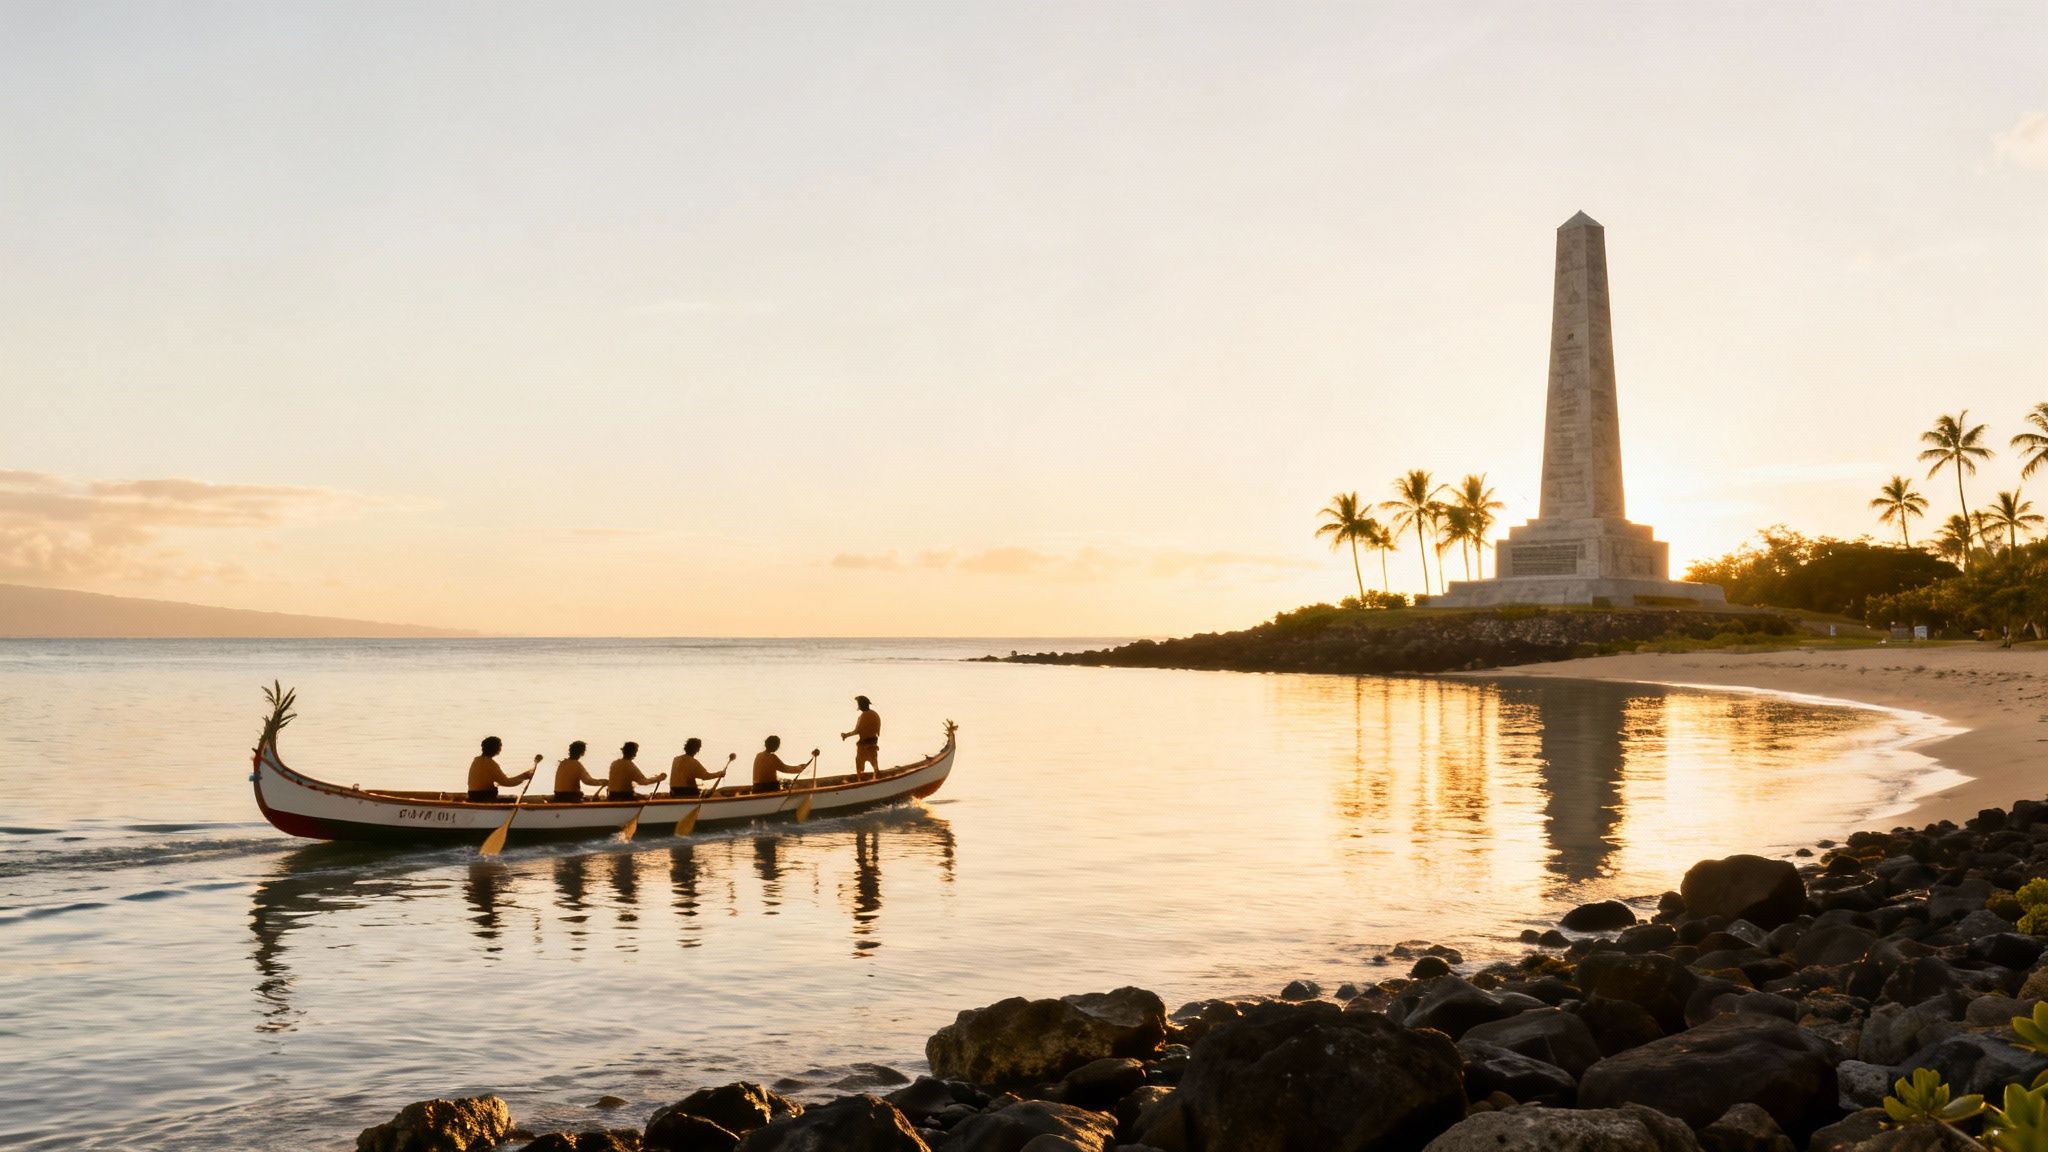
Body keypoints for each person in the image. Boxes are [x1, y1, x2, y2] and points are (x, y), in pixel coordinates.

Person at [466, 736, 533, 802]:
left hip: (473, 795)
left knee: (514, 798)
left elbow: (503, 780)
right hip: (483, 797)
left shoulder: (476, 760)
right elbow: (506, 782)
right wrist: (524, 777)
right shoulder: (490, 764)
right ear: (495, 748)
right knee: (517, 800)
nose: (500, 748)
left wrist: (523, 775)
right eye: (500, 746)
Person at [751, 735, 816, 794]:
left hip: (756, 788)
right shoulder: (772, 757)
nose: (778, 747)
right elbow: (785, 768)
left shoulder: (758, 755)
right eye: (777, 745)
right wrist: (800, 768)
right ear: (774, 746)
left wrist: (799, 767)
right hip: (767, 788)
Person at [839, 694, 881, 780]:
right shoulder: (875, 714)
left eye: (859, 704)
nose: (858, 706)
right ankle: (877, 779)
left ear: (861, 705)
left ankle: (860, 782)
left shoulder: (863, 716)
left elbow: (857, 731)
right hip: (873, 744)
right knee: (875, 766)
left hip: (863, 747)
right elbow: (878, 731)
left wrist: (845, 735)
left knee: (859, 767)